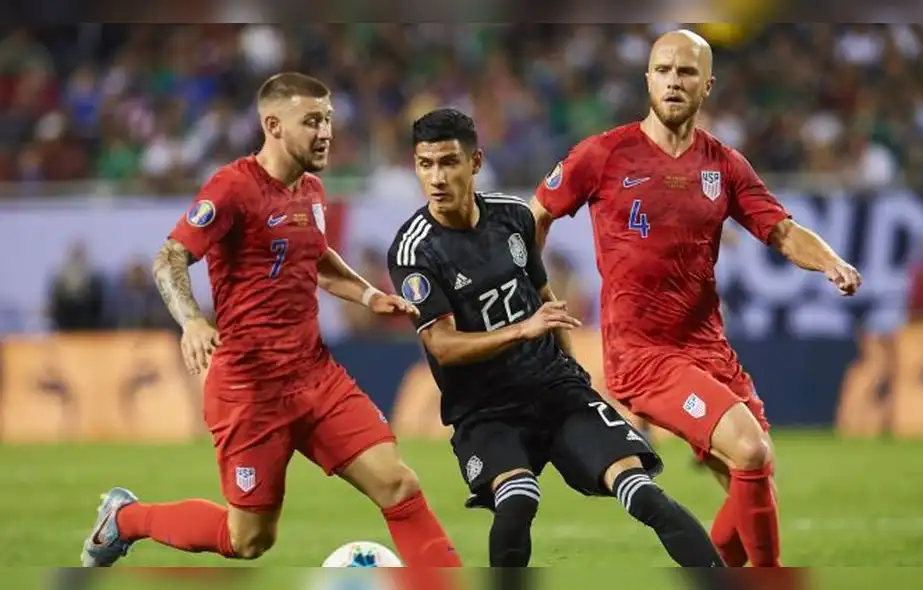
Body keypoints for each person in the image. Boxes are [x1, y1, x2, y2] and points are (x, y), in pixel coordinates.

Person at [81, 72, 462, 568]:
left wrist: (368, 296)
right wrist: (192, 321)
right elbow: (170, 257)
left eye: (327, 120)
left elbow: (317, 258)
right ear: (273, 125)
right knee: (250, 539)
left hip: (314, 375)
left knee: (397, 483)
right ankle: (125, 519)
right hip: (250, 390)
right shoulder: (233, 188)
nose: (325, 131)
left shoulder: (312, 192)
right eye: (311, 121)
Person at [528, 30, 863, 568]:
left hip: (708, 349)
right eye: (662, 70)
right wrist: (532, 294)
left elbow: (780, 229)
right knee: (751, 452)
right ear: (647, 80)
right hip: (643, 355)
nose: (673, 82)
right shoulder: (604, 154)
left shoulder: (723, 166)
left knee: (754, 480)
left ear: (708, 85)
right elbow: (535, 216)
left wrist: (831, 262)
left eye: (686, 73)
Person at [386, 108, 725, 569]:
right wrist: (523, 329)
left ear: (476, 162)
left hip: (555, 387)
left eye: (448, 162)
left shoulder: (512, 217)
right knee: (518, 500)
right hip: (486, 410)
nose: (437, 177)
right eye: (425, 164)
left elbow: (543, 298)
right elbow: (443, 345)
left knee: (642, 493)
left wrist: (574, 374)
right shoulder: (414, 250)